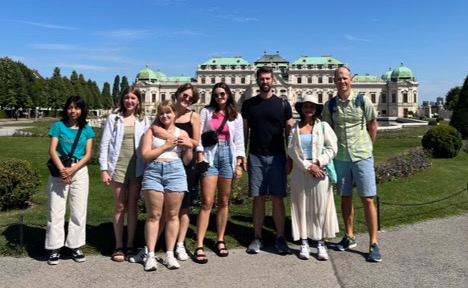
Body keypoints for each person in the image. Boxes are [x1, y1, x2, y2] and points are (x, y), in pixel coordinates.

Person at [322, 66, 382, 262]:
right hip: (341, 158)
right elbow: (328, 131)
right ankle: (349, 236)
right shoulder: (330, 106)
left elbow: (372, 125)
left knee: (368, 199)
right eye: (339, 78)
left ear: (351, 80)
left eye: (345, 78)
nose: (342, 81)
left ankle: (374, 243)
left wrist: (368, 147)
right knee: (345, 197)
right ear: (334, 81)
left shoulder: (362, 100)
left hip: (362, 155)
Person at [241, 66, 294, 255]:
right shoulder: (249, 105)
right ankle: (257, 237)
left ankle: (280, 237)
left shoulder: (283, 104)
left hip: (278, 157)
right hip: (255, 155)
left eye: (268, 79)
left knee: (278, 199)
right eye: (261, 79)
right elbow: (244, 132)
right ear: (257, 81)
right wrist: (243, 155)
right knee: (258, 198)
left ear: (273, 80)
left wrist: (291, 157)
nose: (265, 82)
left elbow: (289, 133)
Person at [194, 82, 245, 264]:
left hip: (228, 157)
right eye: (216, 95)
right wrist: (200, 157)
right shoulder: (206, 112)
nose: (219, 97)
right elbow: (198, 135)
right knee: (207, 202)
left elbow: (239, 140)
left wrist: (238, 163)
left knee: (224, 201)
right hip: (210, 156)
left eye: (222, 94)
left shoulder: (235, 116)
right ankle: (199, 244)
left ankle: (220, 240)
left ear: (228, 95)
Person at [150, 83, 201, 262]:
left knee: (184, 206)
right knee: (165, 207)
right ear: (177, 94)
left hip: (186, 162)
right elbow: (155, 129)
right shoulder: (167, 111)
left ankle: (180, 244)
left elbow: (196, 141)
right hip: (167, 160)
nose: (186, 99)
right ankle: (155, 245)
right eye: (184, 95)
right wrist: (174, 139)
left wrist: (185, 142)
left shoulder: (194, 116)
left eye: (190, 97)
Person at [140, 100, 193, 272]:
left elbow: (186, 160)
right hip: (154, 170)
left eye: (168, 112)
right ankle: (150, 255)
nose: (165, 116)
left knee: (172, 215)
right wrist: (166, 146)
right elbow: (145, 155)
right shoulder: (151, 132)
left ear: (174, 114)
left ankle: (170, 254)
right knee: (154, 215)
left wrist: (189, 149)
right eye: (161, 113)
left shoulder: (182, 132)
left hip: (176, 171)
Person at [99, 86, 150, 262]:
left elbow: (149, 144)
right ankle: (118, 245)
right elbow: (104, 144)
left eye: (133, 98)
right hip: (118, 166)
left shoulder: (144, 120)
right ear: (123, 99)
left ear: (138, 101)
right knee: (120, 206)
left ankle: (130, 244)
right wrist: (104, 169)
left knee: (133, 206)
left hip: (137, 168)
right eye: (127, 98)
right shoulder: (114, 118)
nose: (130, 101)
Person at [287, 94, 339, 261]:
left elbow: (332, 148)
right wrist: (309, 166)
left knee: (319, 207)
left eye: (312, 106)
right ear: (301, 108)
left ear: (316, 109)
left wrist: (318, 162)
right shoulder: (295, 127)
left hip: (320, 171)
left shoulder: (323, 126)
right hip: (301, 171)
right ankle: (304, 241)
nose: (308, 108)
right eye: (305, 106)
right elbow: (291, 150)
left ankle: (320, 242)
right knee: (301, 206)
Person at [45, 96, 95, 265]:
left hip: (79, 171)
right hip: (59, 169)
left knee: (78, 210)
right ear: (66, 109)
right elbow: (52, 150)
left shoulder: (87, 129)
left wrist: (73, 169)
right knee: (55, 211)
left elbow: (88, 153)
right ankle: (55, 247)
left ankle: (75, 245)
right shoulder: (58, 126)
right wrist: (63, 171)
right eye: (70, 107)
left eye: (77, 108)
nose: (73, 111)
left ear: (82, 110)